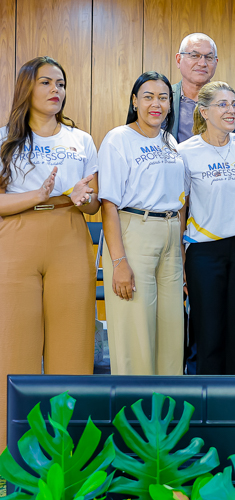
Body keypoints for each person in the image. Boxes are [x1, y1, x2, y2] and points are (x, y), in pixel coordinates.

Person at [0, 56, 99, 450]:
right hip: (16, 238)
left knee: (73, 348)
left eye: (61, 83)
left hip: (69, 235)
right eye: (46, 82)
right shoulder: (5, 137)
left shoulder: (81, 140)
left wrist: (84, 196)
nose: (56, 90)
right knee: (12, 348)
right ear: (28, 88)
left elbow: (93, 205)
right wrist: (36, 196)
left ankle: (67, 456)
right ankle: (8, 456)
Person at [98, 71, 185, 376]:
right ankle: (135, 415)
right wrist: (119, 261)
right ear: (135, 102)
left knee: (172, 332)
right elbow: (108, 204)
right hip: (135, 232)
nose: (156, 104)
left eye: (163, 97)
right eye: (148, 97)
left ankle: (166, 414)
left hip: (171, 235)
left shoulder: (170, 140)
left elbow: (180, 198)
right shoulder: (118, 138)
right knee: (136, 331)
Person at [178, 81, 235, 375]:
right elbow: (181, 210)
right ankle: (205, 407)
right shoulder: (185, 151)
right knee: (208, 332)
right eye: (223, 104)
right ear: (204, 110)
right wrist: (181, 260)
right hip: (203, 252)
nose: (231, 110)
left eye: (234, 104)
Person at [171, 33, 235, 144]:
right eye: (194, 56)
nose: (202, 63)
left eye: (209, 57)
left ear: (216, 63)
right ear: (179, 60)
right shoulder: (163, 98)